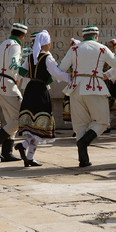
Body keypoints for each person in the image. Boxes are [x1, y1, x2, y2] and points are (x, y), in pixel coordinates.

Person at [60, 25, 116, 168]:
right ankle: (85, 141)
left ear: (84, 37)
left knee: (79, 125)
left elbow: (60, 68)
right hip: (94, 86)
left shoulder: (74, 49)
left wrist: (70, 77)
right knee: (103, 122)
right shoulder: (102, 48)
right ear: (96, 36)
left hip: (75, 88)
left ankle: (83, 159)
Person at [15, 30, 70, 167]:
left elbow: (21, 71)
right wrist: (70, 78)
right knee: (40, 123)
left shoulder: (30, 57)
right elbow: (56, 74)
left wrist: (30, 75)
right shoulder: (47, 57)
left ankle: (30, 157)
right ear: (46, 43)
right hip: (40, 91)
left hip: (30, 89)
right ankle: (24, 145)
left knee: (33, 126)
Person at [0, 23, 27, 161]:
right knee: (22, 117)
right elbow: (13, 64)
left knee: (11, 120)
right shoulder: (15, 45)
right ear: (23, 35)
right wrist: (24, 73)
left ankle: (7, 152)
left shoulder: (3, 44)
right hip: (7, 85)